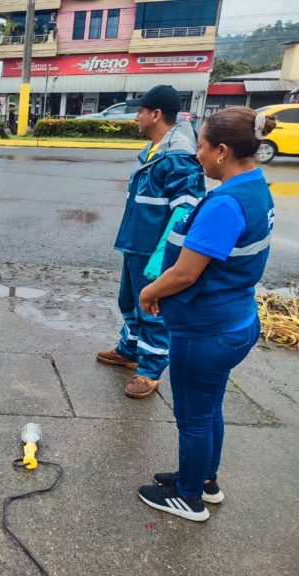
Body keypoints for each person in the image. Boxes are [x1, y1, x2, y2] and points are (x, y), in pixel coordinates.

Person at [136, 107, 276, 522]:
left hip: (207, 331)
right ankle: (205, 480)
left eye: (200, 148)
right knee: (209, 408)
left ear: (221, 150)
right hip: (233, 321)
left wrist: (149, 292)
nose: (196, 156)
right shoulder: (254, 186)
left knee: (194, 417)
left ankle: (188, 496)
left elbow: (185, 273)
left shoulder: (226, 203)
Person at [96, 85, 206, 399]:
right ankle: (129, 351)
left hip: (153, 250)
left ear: (155, 114)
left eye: (141, 111)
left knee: (152, 309)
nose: (137, 118)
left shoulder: (179, 156)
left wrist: (162, 255)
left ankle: (150, 371)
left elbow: (186, 208)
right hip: (136, 244)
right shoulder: (155, 149)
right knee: (128, 303)